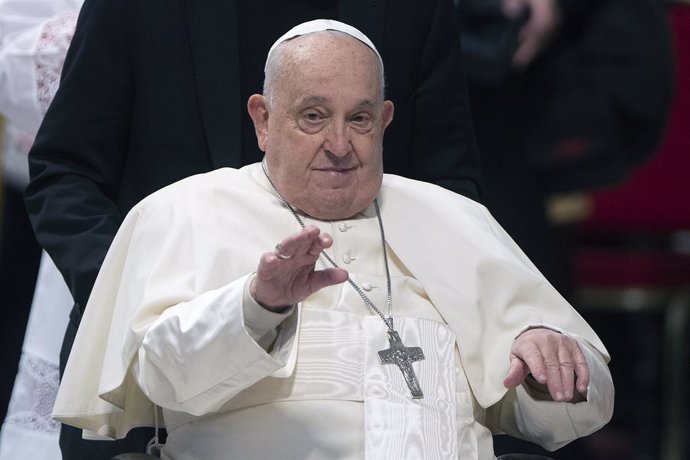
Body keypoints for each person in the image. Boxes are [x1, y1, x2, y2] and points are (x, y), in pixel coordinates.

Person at [53, 20, 613, 459]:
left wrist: (551, 370)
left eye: (361, 118)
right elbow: (163, 381)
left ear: (387, 119)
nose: (340, 144)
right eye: (313, 117)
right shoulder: (182, 211)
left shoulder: (457, 218)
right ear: (263, 118)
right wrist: (256, 305)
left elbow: (562, 422)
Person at [24, 0, 482, 457]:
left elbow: (448, 183)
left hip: (377, 365)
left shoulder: (416, 9)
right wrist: (133, 298)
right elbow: (67, 175)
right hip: (167, 357)